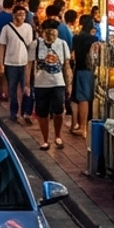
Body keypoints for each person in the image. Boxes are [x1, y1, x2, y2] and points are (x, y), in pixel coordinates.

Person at [32, 19, 72, 151]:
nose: (52, 37)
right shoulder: (35, 44)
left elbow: (66, 65)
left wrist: (69, 84)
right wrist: (27, 83)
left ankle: (58, 136)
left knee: (59, 111)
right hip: (41, 83)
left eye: (54, 34)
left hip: (58, 83)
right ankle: (44, 140)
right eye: (49, 33)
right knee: (42, 113)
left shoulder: (62, 44)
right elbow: (29, 65)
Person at [0, 3, 36, 127]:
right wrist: (1, 64)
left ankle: (26, 112)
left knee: (27, 88)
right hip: (11, 63)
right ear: (14, 15)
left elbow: (30, 46)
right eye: (19, 14)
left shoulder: (28, 28)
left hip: (25, 63)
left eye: (24, 15)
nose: (22, 17)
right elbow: (2, 46)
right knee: (12, 89)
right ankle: (13, 112)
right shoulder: (7, 28)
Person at [70, 15, 99, 139]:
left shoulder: (76, 38)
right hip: (89, 70)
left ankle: (78, 125)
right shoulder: (93, 39)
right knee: (84, 98)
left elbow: (73, 53)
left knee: (79, 97)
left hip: (79, 68)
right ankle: (83, 128)